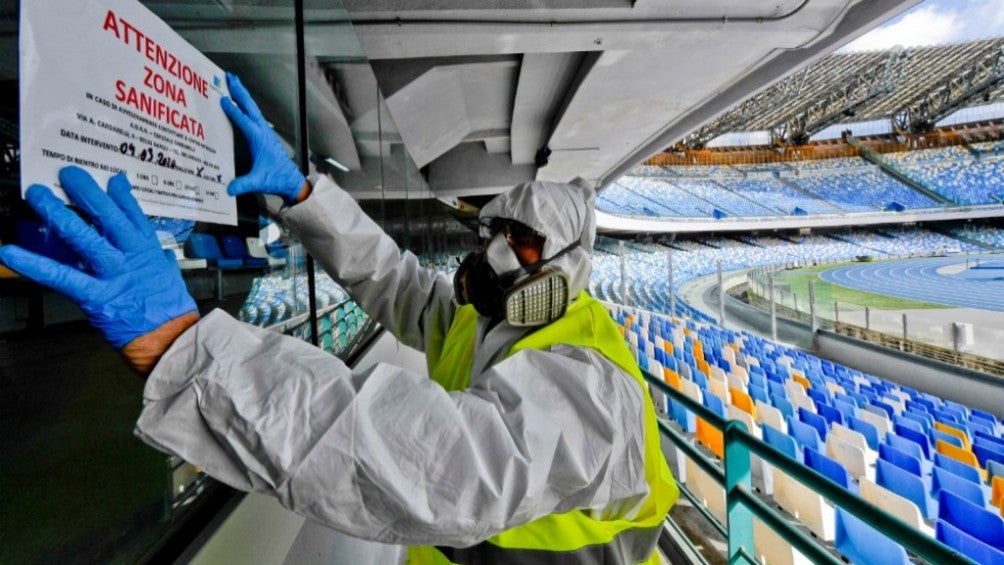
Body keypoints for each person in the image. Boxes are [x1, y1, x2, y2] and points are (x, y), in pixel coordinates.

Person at [0, 73, 677, 563]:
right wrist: (300, 194)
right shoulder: (487, 322)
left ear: (567, 263)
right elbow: (394, 280)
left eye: (523, 243)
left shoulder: (598, 391)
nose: (497, 253)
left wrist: (192, 355)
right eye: (496, 231)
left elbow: (438, 466)